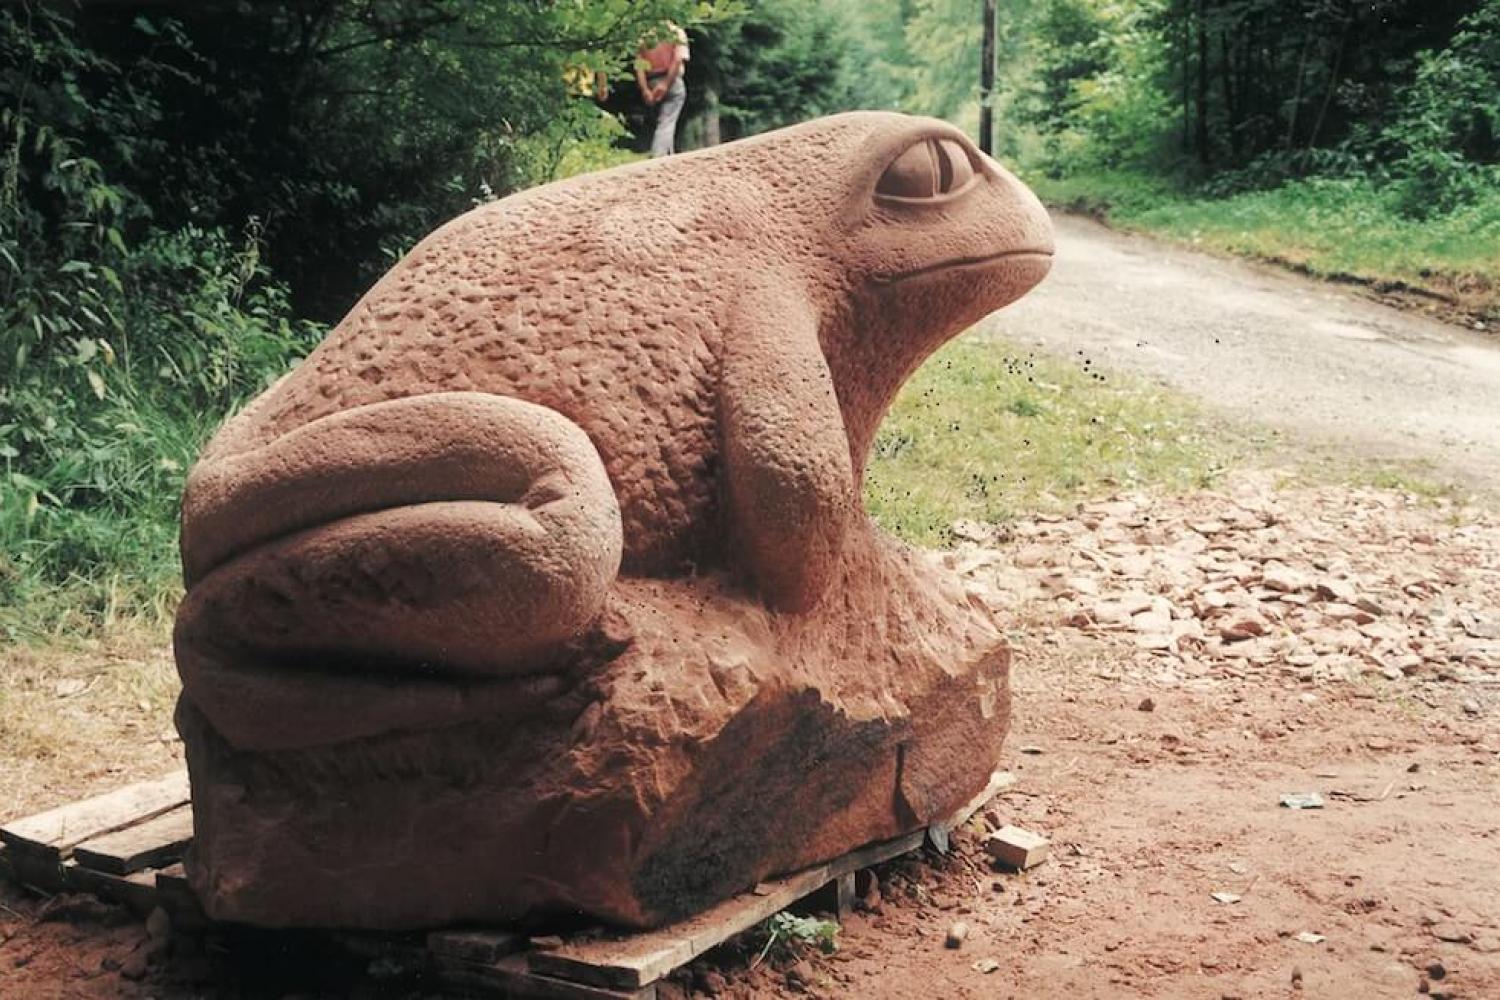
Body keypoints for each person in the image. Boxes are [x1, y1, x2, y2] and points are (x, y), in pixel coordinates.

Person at [636, 22, 689, 157]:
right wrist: (665, 84)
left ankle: (668, 157)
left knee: (661, 121)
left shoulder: (645, 36)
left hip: (651, 81)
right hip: (672, 81)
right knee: (667, 121)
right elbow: (677, 60)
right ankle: (658, 156)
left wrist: (645, 89)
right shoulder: (676, 33)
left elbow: (639, 65)